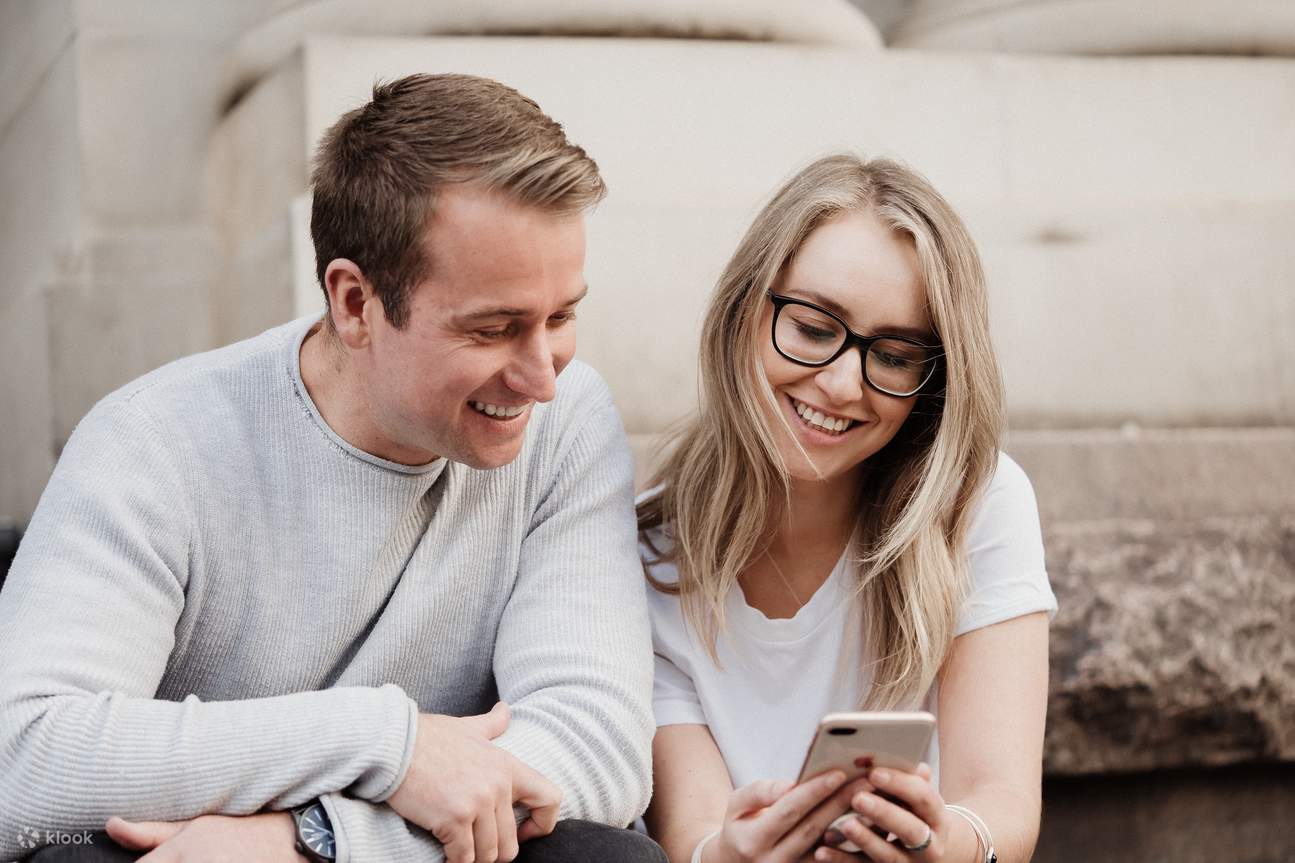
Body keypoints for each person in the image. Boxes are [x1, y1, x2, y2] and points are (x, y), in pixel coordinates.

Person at [0, 73, 664, 863]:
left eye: (560, 317)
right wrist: (384, 742)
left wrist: (311, 838)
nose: (541, 375)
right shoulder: (154, 442)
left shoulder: (568, 421)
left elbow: (598, 744)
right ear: (354, 303)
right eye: (494, 328)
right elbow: (24, 761)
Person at [638, 155, 1056, 863]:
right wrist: (733, 852)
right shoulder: (644, 549)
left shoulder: (976, 506)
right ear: (745, 309)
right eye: (811, 326)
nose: (839, 384)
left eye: (893, 355)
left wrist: (948, 842)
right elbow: (691, 833)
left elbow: (1001, 802)